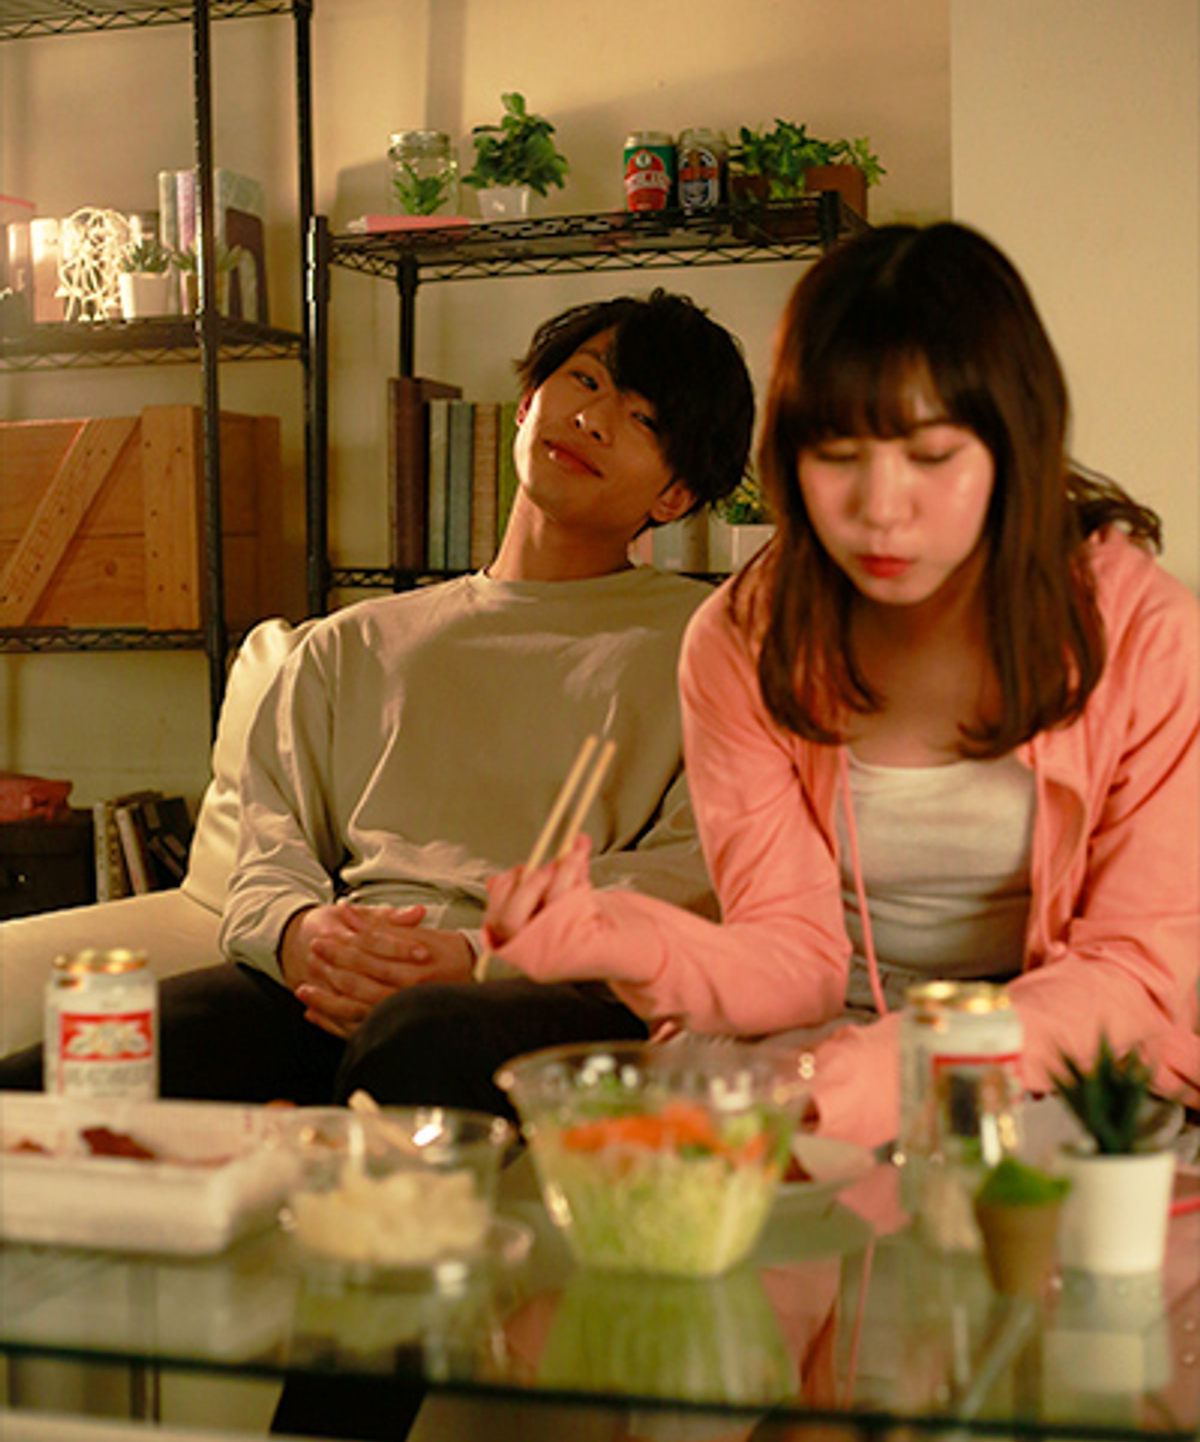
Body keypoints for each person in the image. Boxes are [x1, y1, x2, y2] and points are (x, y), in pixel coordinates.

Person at [484, 221, 1200, 1148]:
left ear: (1014, 445)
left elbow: (1133, 972)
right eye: (838, 456)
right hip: (823, 1034)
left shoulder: (1143, 634)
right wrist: (613, 934)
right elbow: (791, 956)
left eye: (932, 457)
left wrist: (905, 1066)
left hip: (1053, 1042)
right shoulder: (745, 640)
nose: (879, 510)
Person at [0, 288, 755, 1110]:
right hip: (332, 977)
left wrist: (476, 955)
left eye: (643, 419)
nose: (593, 419)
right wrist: (301, 935)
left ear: (676, 495)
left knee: (418, 1039)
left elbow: (692, 875)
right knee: (60, 1074)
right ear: (526, 402)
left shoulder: (714, 647)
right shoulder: (347, 644)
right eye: (585, 380)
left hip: (549, 992)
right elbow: (270, 845)